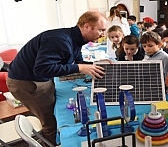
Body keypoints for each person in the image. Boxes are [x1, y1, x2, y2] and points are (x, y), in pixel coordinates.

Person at [6, 11, 108, 145]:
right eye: (101, 30)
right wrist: (80, 68)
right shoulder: (60, 40)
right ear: (87, 26)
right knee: (50, 123)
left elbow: (78, 62)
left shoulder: (76, 38)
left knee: (53, 111)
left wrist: (96, 65)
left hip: (37, 78)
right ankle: (50, 143)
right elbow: (42, 69)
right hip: (27, 82)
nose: (103, 34)